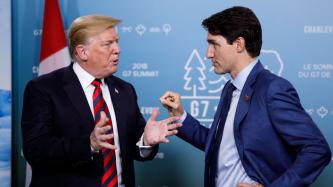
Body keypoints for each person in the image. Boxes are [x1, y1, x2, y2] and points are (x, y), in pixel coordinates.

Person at [160, 6, 331, 187]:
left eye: (214, 44)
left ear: (239, 44)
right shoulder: (230, 89)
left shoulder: (273, 89)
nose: (208, 54)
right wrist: (180, 116)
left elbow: (317, 150)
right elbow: (220, 147)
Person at [21, 15, 182, 187]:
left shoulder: (125, 90)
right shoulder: (44, 88)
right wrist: (88, 144)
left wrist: (145, 142)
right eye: (108, 44)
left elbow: (135, 149)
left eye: (117, 42)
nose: (117, 49)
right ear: (83, 52)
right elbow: (35, 150)